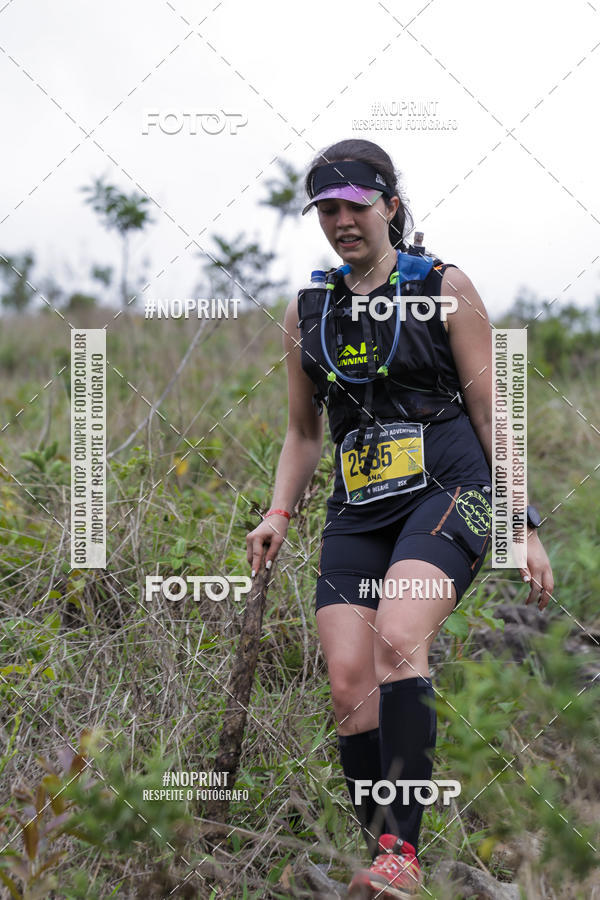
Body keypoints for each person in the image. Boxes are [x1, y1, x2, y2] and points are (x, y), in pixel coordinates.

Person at [246, 138, 554, 899]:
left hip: (451, 488)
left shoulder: (447, 287)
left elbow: (494, 410)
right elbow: (303, 432)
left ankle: (401, 860)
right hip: (359, 508)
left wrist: (523, 521)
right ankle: (387, 856)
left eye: (355, 204)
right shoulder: (306, 310)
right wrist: (280, 510)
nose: (341, 221)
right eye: (326, 209)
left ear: (388, 204)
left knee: (397, 635)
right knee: (350, 682)